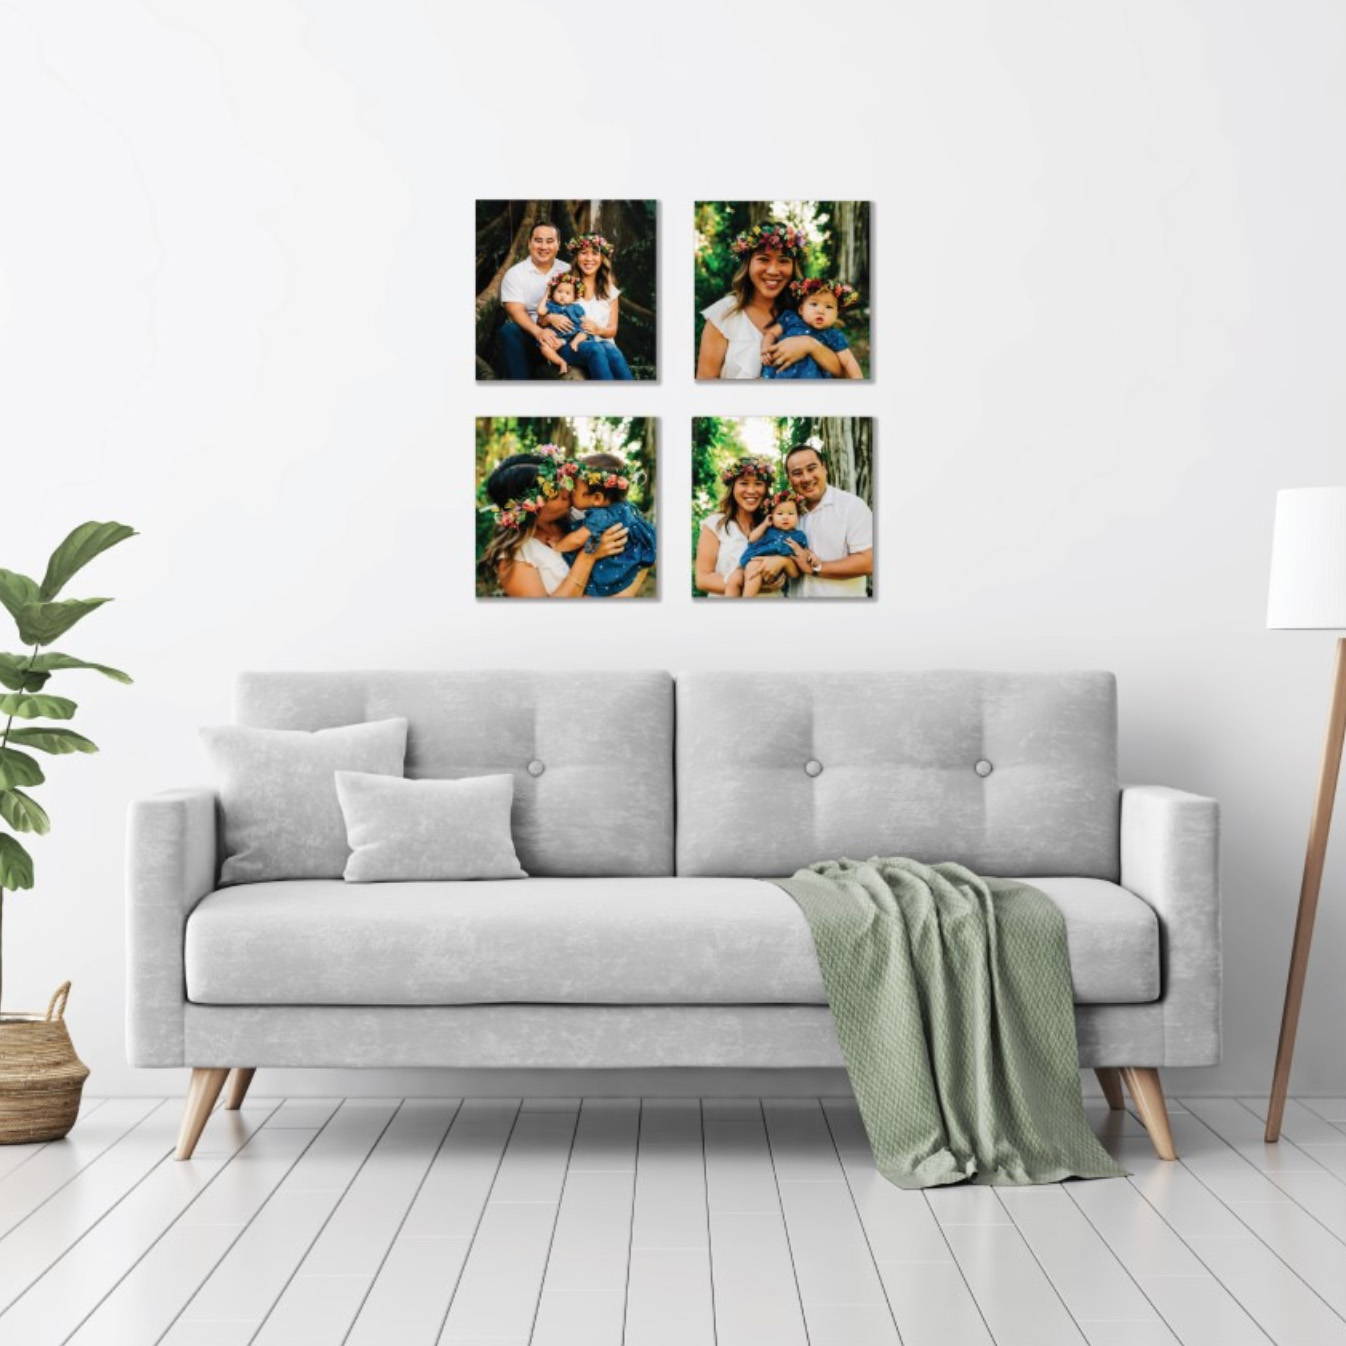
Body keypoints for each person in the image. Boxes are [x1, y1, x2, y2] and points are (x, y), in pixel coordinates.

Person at [478, 448, 643, 598]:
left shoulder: (578, 514)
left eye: (565, 482)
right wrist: (588, 556)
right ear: (531, 509)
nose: (568, 492)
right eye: (557, 494)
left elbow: (641, 553)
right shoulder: (514, 556)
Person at [696, 221, 845, 380]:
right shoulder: (723, 314)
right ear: (748, 264)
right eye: (763, 259)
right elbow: (706, 384)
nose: (773, 270)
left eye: (783, 260)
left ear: (794, 267)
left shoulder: (807, 311)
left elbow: (843, 373)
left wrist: (810, 345)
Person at [781, 440, 874, 598]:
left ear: (824, 468)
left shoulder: (851, 506)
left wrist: (817, 568)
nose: (806, 478)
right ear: (789, 479)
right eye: (797, 473)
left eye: (812, 468)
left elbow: (869, 561)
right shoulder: (788, 513)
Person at [557, 453, 656, 596]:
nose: (570, 493)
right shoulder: (624, 507)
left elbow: (578, 539)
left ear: (597, 498)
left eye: (575, 490)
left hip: (612, 569)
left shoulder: (602, 516)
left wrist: (558, 547)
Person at [539, 233, 634, 379]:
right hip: (569, 343)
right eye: (583, 253)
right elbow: (542, 319)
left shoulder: (610, 291)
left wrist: (598, 329)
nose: (589, 258)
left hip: (603, 343)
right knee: (595, 349)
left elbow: (612, 330)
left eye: (595, 253)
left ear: (602, 258)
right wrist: (550, 318)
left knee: (612, 350)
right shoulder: (566, 285)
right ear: (577, 257)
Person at [694, 455, 782, 598]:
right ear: (732, 486)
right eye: (744, 483)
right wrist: (753, 586)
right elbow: (702, 579)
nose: (751, 490)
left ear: (766, 488)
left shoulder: (776, 522)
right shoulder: (714, 524)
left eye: (758, 483)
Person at [496, 221, 570, 380]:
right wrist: (539, 332)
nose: (543, 247)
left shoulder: (568, 270)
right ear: (529, 243)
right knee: (508, 331)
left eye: (549, 241)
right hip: (530, 334)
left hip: (564, 335)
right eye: (538, 240)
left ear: (558, 245)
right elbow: (515, 310)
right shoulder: (515, 273)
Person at [761, 279, 864, 380]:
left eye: (829, 307)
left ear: (837, 314)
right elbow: (771, 333)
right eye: (814, 304)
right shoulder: (791, 320)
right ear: (801, 309)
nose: (820, 311)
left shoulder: (833, 335)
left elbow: (848, 361)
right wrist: (766, 348)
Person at [725, 492, 810, 597]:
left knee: (753, 568)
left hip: (773, 568)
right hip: (754, 558)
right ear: (771, 516)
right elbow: (751, 539)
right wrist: (765, 524)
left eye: (791, 513)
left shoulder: (799, 536)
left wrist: (807, 554)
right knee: (733, 579)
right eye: (780, 514)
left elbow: (805, 554)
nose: (785, 517)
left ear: (798, 516)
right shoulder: (768, 530)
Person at [535, 274, 595, 377]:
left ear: (574, 298)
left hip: (573, 334)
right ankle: (561, 362)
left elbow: (584, 322)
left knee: (585, 331)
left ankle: (575, 342)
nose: (562, 295)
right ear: (553, 293)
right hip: (558, 338)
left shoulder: (576, 307)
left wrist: (587, 327)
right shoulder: (550, 306)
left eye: (568, 293)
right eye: (559, 291)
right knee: (544, 347)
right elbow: (540, 311)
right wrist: (546, 293)